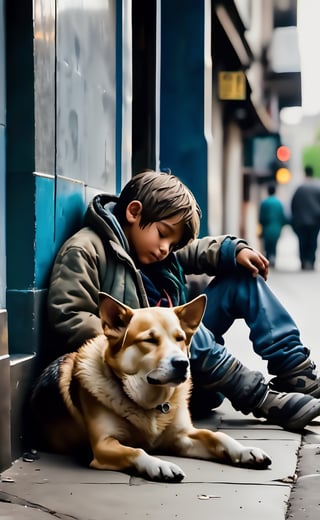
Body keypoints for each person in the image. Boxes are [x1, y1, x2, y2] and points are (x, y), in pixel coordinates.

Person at [46, 170, 320, 432]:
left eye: (173, 244)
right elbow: (69, 317)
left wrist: (232, 250)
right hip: (140, 382)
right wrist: (136, 336)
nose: (166, 248)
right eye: (163, 234)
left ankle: (295, 372)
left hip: (185, 369)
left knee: (242, 279)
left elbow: (194, 249)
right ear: (134, 211)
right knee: (174, 326)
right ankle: (259, 398)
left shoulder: (154, 247)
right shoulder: (85, 250)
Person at [291, 165, 320, 270]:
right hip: (315, 221)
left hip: (301, 221)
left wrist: (294, 219)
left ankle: (303, 261)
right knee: (313, 241)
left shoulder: (300, 188)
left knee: (302, 242)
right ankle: (311, 261)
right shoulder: (318, 187)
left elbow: (293, 205)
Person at [259, 184, 287, 267]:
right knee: (274, 244)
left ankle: (267, 259)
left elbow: (261, 217)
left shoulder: (264, 202)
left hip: (267, 227)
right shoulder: (279, 203)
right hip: (277, 228)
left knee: (267, 245)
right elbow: (283, 217)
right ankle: (273, 258)